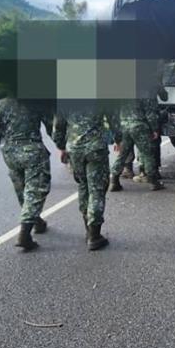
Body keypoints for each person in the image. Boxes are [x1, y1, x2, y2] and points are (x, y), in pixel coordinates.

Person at [0, 97, 54, 251]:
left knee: (22, 190)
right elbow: (52, 125)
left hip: (11, 153)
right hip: (32, 151)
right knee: (35, 191)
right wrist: (63, 145)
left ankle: (37, 222)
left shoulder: (1, 105)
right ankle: (24, 234)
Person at [53, 105, 117, 250]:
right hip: (96, 148)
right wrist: (118, 139)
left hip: (75, 149)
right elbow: (113, 119)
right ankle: (94, 235)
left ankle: (87, 229)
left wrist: (61, 147)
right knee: (97, 189)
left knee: (83, 185)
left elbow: (58, 127)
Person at [110, 96, 163, 191]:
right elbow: (150, 113)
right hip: (140, 126)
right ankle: (153, 182)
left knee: (122, 155)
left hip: (124, 126)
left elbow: (114, 113)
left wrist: (116, 134)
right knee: (148, 154)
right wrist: (155, 129)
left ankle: (114, 181)